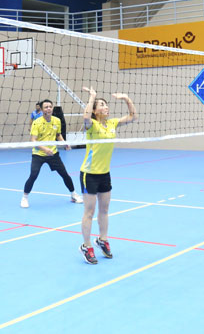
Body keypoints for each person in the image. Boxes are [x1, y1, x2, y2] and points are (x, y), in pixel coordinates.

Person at [78, 86, 136, 264]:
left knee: (104, 210)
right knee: (89, 211)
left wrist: (126, 98)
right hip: (89, 173)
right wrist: (92, 97)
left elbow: (133, 117)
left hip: (105, 174)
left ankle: (102, 239)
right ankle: (86, 246)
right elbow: (86, 117)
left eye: (106, 104)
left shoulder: (112, 123)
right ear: (95, 110)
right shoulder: (92, 125)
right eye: (101, 105)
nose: (106, 107)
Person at [21, 99, 81, 208]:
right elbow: (33, 140)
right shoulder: (37, 122)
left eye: (50, 106)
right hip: (39, 154)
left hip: (53, 153)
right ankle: (25, 197)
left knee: (65, 174)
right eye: (46, 107)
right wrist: (45, 149)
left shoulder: (57, 120)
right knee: (33, 175)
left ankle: (73, 194)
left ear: (52, 108)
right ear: (42, 110)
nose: (48, 108)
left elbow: (58, 135)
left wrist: (64, 143)